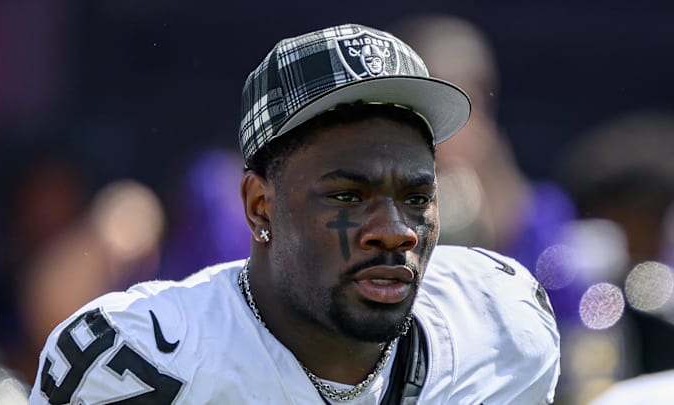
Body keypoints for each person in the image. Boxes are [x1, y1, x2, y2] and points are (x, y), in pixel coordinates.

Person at [30, 23, 560, 404]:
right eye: (349, 196)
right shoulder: (143, 363)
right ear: (261, 207)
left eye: (417, 198)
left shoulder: (504, 326)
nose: (396, 232)